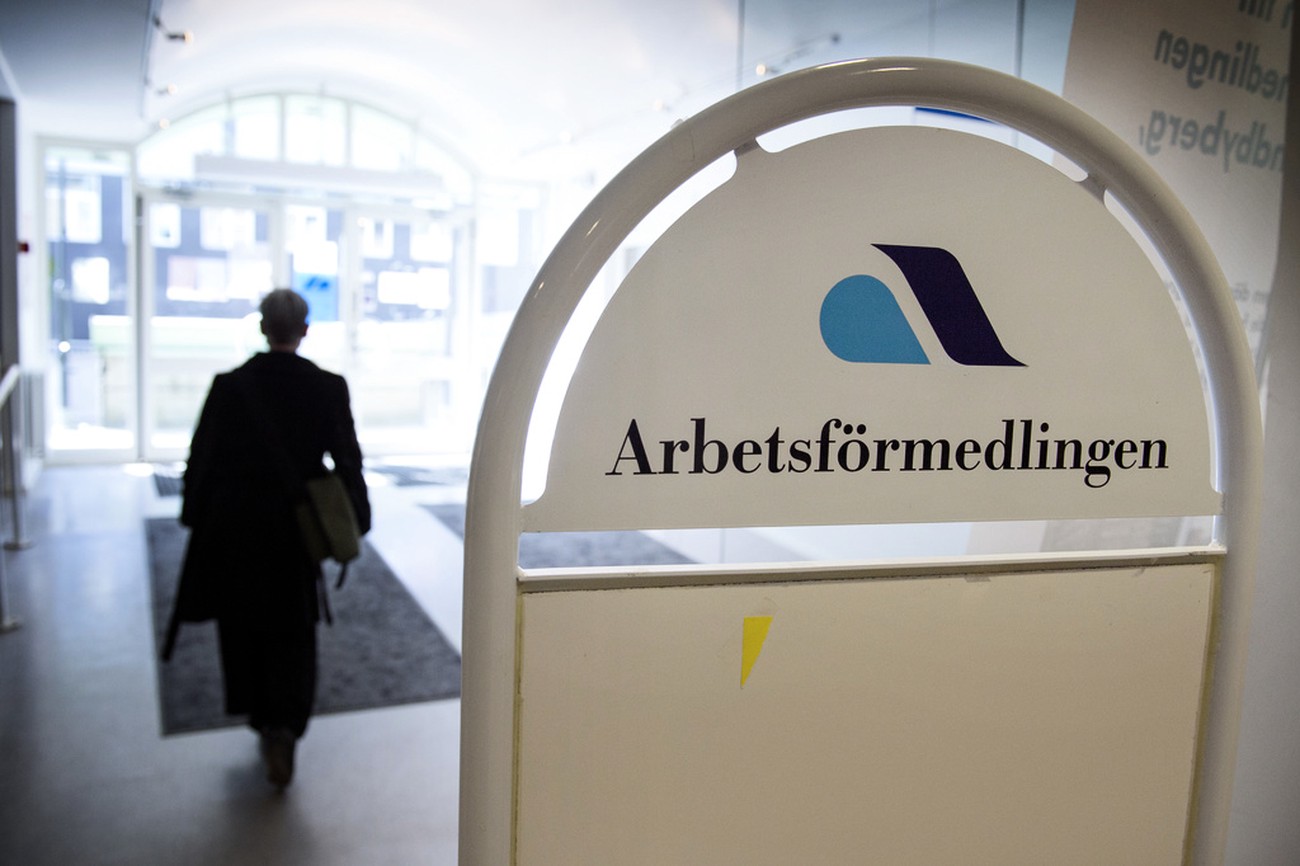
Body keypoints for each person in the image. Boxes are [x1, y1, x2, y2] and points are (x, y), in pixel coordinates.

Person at [180, 288, 370, 787]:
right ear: (304, 330)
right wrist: (357, 520)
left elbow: (202, 456)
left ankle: (260, 717)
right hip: (295, 527)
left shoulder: (230, 386)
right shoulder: (327, 386)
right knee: (293, 627)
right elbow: (347, 458)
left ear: (263, 328)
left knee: (242, 623)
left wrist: (193, 514)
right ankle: (285, 726)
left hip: (235, 524)